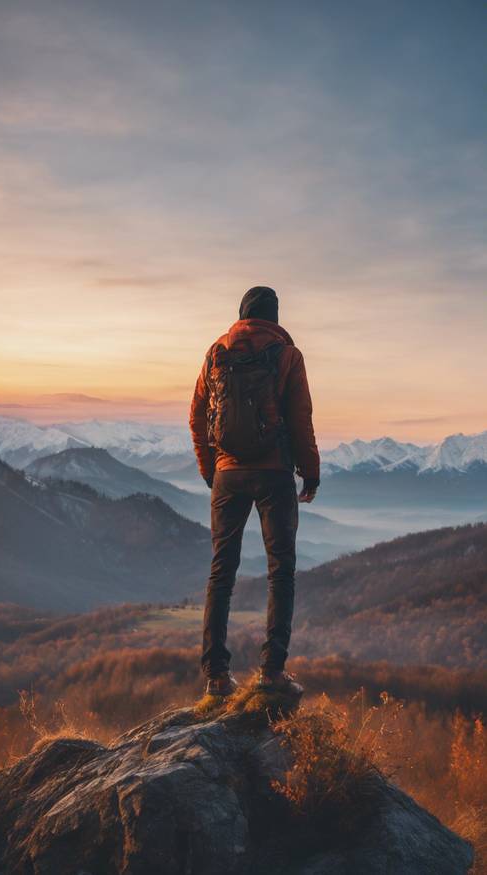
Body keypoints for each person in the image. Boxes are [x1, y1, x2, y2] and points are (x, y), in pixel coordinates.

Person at [189, 286, 320, 697]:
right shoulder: (286, 355)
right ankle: (271, 673)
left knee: (220, 572)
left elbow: (196, 416)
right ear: (275, 317)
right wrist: (310, 474)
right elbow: (301, 421)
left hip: (227, 474)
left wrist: (211, 470)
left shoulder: (216, 353)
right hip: (275, 474)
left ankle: (214, 677)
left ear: (241, 313)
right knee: (280, 571)